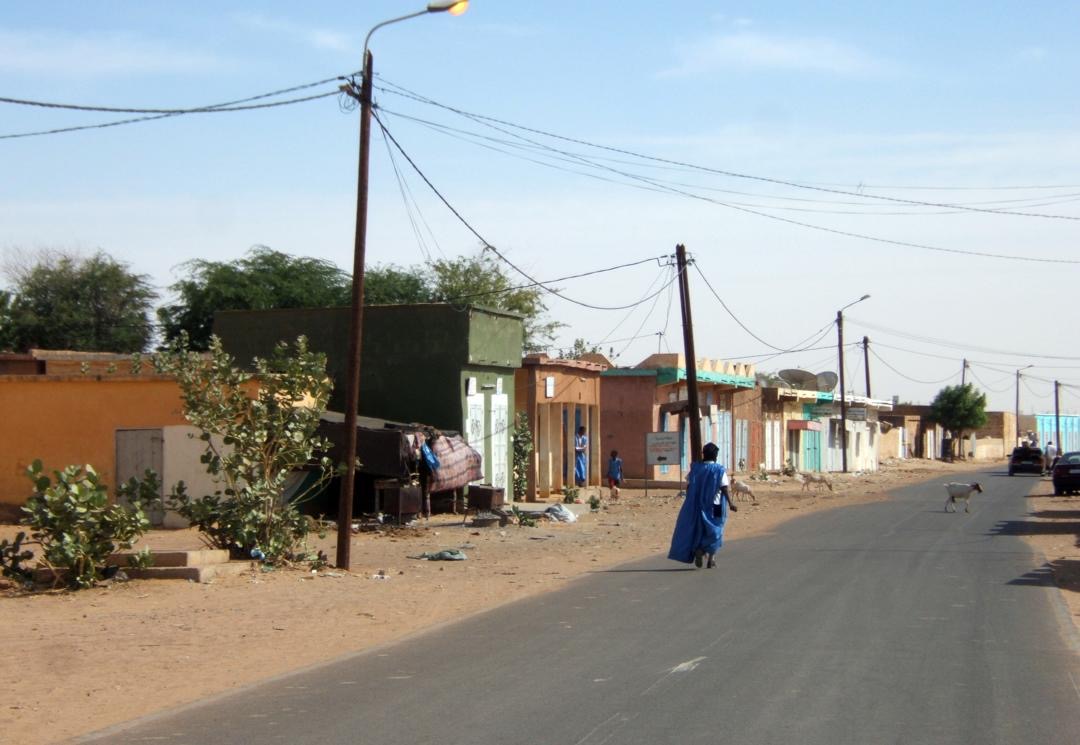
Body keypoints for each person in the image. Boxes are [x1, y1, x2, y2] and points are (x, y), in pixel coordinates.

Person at [668, 442, 737, 569]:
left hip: (696, 505)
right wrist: (731, 503)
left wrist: (690, 502)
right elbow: (724, 488)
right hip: (715, 506)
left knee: (699, 529)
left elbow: (689, 486)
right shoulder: (719, 470)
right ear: (715, 455)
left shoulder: (695, 468)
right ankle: (709, 556)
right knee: (716, 530)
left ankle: (702, 551)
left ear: (704, 454)